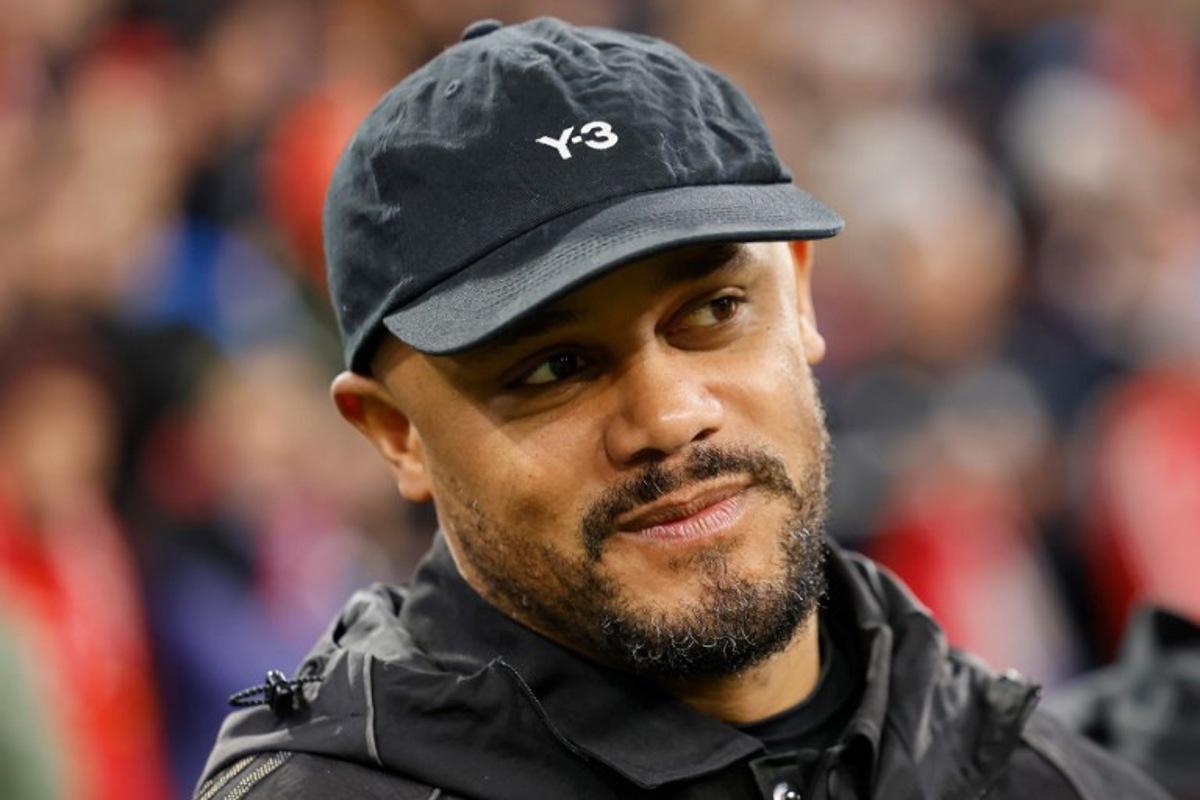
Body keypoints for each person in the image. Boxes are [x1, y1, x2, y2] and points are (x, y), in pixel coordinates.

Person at [195, 17, 1168, 799]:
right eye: (552, 366)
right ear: (395, 432)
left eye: (713, 310)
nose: (670, 416)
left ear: (803, 296)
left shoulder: (1028, 765)